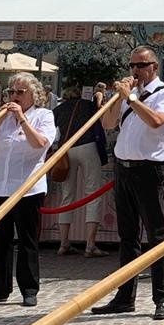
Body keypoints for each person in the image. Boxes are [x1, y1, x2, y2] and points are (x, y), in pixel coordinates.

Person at [92, 47, 164, 319]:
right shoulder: (127, 97)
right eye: (132, 65)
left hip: (149, 170)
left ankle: (161, 298)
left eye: (141, 65)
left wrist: (130, 98)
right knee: (127, 236)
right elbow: (107, 124)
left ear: (154, 67)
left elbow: (156, 122)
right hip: (124, 169)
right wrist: (113, 100)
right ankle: (125, 296)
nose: (135, 71)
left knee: (156, 235)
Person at [0, 73, 56, 306]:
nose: (14, 96)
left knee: (27, 240)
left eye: (20, 92)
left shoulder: (44, 115)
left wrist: (22, 118)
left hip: (27, 187)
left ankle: (29, 288)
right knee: (1, 239)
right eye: (11, 92)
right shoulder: (3, 118)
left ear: (34, 95)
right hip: (0, 185)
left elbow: (41, 144)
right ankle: (0, 287)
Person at [51, 81, 108, 258]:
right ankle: (90, 244)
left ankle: (64, 242)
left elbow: (54, 133)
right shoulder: (86, 104)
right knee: (93, 192)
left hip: (66, 149)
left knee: (67, 195)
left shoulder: (57, 110)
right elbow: (101, 114)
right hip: (88, 145)